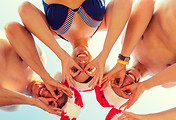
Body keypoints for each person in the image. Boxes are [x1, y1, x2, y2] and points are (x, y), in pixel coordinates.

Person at [5, 0, 155, 92]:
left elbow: (24, 10)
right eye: (89, 69)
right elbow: (125, 2)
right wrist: (105, 54)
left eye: (75, 70)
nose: (82, 63)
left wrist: (60, 56)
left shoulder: (51, 33)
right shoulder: (104, 23)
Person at [106, 0, 176, 109]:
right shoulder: (165, 82)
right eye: (126, 91)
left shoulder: (128, 46)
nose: (124, 85)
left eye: (117, 82)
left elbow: (147, 3)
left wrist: (122, 61)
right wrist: (144, 86)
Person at [0, 30, 72, 114]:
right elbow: (12, 29)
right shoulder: (39, 59)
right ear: (57, 83)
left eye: (51, 103)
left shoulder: (12, 104)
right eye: (55, 92)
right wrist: (45, 76)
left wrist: (33, 102)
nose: (47, 95)